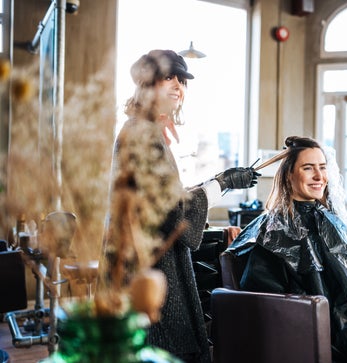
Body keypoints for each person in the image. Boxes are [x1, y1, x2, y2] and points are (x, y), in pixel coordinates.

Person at [96, 49, 259, 363]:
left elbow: (165, 199)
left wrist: (215, 183)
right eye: (168, 77)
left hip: (150, 263)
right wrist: (222, 183)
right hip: (148, 271)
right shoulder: (141, 134)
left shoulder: (145, 130)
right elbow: (175, 211)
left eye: (182, 80)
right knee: (161, 350)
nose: (178, 86)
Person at [227, 136, 347, 363]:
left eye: (323, 168)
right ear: (289, 175)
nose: (319, 177)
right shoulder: (274, 229)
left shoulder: (329, 219)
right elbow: (265, 295)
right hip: (325, 324)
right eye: (308, 168)